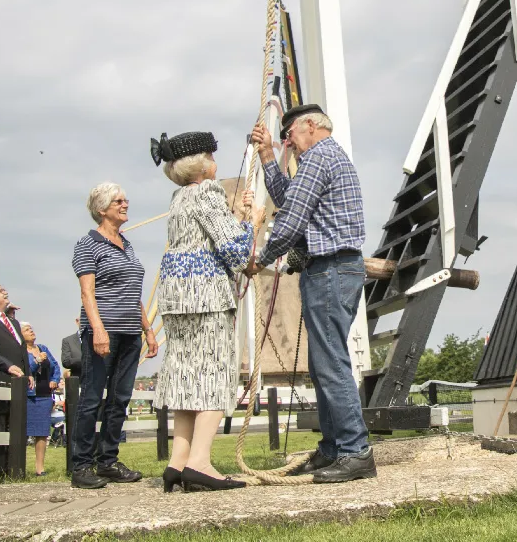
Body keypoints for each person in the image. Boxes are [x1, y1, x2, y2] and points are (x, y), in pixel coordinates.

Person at [250, 105, 374, 483]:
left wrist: (259, 258)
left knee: (330, 363)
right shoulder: (324, 159)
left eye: (289, 134)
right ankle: (335, 448)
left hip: (330, 269)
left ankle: (355, 451)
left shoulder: (318, 158)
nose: (288, 143)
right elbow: (291, 199)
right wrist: (268, 154)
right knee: (323, 365)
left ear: (310, 126)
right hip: (333, 269)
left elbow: (289, 221)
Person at [150, 130, 252, 492]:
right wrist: (250, 222)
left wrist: (236, 216)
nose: (215, 162)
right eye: (211, 156)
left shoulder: (179, 198)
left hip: (176, 297)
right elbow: (236, 252)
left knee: (185, 375)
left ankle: (177, 461)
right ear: (202, 164)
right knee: (213, 374)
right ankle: (200, 462)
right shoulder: (208, 193)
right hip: (207, 296)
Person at [70, 183, 159, 489]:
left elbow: (134, 294)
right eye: (118, 201)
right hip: (104, 331)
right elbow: (87, 292)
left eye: (125, 199)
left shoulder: (127, 244)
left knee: (120, 399)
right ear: (101, 209)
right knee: (91, 398)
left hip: (130, 333)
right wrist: (98, 329)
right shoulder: (88, 244)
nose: (125, 204)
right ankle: (81, 465)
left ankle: (108, 461)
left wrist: (148, 330)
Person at [21, 322, 61, 476]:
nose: (31, 331)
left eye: (31, 328)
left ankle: (40, 468)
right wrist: (36, 360)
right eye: (27, 330)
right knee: (23, 432)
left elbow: (55, 366)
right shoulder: (20, 351)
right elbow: (25, 370)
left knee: (42, 432)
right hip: (29, 396)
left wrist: (54, 380)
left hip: (44, 396)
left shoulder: (43, 348)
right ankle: (20, 467)